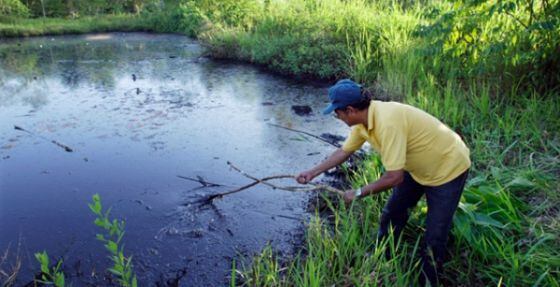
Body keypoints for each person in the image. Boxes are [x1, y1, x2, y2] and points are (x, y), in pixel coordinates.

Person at [296, 79, 470, 286]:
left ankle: (429, 281)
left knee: (435, 234)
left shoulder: (388, 122)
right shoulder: (363, 123)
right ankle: (384, 257)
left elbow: (394, 177)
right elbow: (344, 151)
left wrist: (358, 192)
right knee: (392, 213)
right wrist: (312, 172)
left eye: (337, 112)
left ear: (350, 110)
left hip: (448, 168)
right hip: (416, 169)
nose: (337, 116)